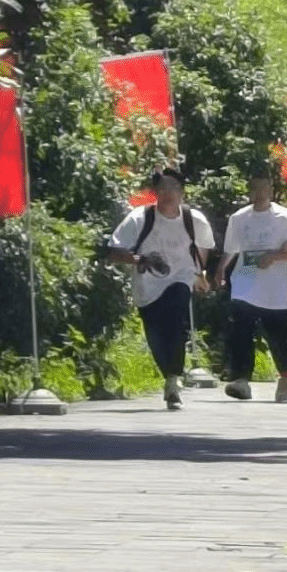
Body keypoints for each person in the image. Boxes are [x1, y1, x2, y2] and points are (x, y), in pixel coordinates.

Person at [107, 168, 215, 410]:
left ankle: (174, 379)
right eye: (162, 188)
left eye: (173, 187)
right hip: (147, 287)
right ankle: (169, 377)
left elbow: (204, 247)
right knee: (156, 336)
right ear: (155, 192)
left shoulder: (194, 220)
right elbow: (113, 251)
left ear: (182, 192)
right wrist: (139, 260)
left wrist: (199, 273)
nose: (168, 193)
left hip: (181, 278)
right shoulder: (140, 218)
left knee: (177, 316)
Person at [213, 169, 287, 402]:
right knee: (241, 331)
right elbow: (231, 249)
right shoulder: (239, 218)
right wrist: (221, 270)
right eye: (255, 188)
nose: (259, 193)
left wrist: (274, 256)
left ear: (271, 190)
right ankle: (241, 380)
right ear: (250, 191)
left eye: (264, 187)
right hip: (245, 285)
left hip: (274, 291)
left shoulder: (284, 218)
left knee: (279, 339)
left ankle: (285, 376)